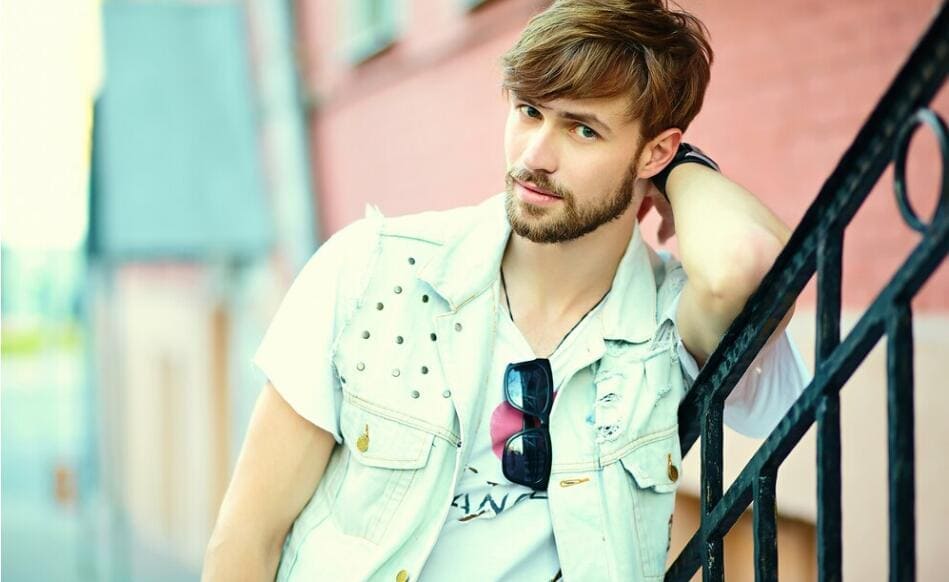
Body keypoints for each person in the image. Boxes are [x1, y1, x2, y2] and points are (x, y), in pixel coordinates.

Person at [203, 1, 810, 580]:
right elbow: (247, 538)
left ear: (654, 150)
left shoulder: (664, 327)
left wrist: (685, 172)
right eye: (528, 111)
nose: (536, 156)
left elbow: (748, 266)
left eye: (583, 130)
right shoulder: (372, 273)